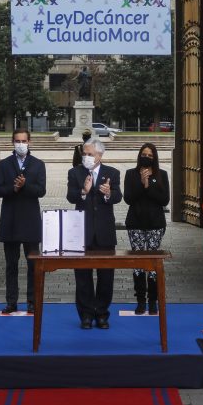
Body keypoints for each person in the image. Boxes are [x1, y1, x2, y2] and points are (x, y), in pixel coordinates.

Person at [66, 137, 122, 329]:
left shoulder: (112, 173)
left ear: (99, 155)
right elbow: (70, 196)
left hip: (105, 234)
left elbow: (117, 196)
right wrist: (83, 191)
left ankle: (102, 314)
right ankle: (86, 315)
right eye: (84, 153)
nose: (86, 157)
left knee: (106, 276)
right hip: (81, 233)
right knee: (83, 277)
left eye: (90, 154)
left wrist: (108, 193)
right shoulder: (75, 173)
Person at [0, 128, 46, 314]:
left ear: (29, 142)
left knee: (33, 264)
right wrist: (13, 189)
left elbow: (41, 190)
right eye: (17, 141)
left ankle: (32, 300)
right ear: (12, 142)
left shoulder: (38, 164)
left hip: (30, 220)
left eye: (24, 141)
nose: (21, 144)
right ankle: (11, 301)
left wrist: (25, 186)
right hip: (11, 220)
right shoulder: (4, 164)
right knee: (11, 265)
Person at [124, 142, 170, 315]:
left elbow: (164, 199)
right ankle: (140, 300)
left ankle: (153, 301)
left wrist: (148, 185)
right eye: (144, 154)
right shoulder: (130, 174)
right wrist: (141, 182)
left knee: (151, 263)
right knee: (138, 263)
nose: (147, 157)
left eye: (150, 155)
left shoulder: (162, 174)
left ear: (155, 158)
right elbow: (128, 198)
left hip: (155, 224)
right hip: (135, 222)